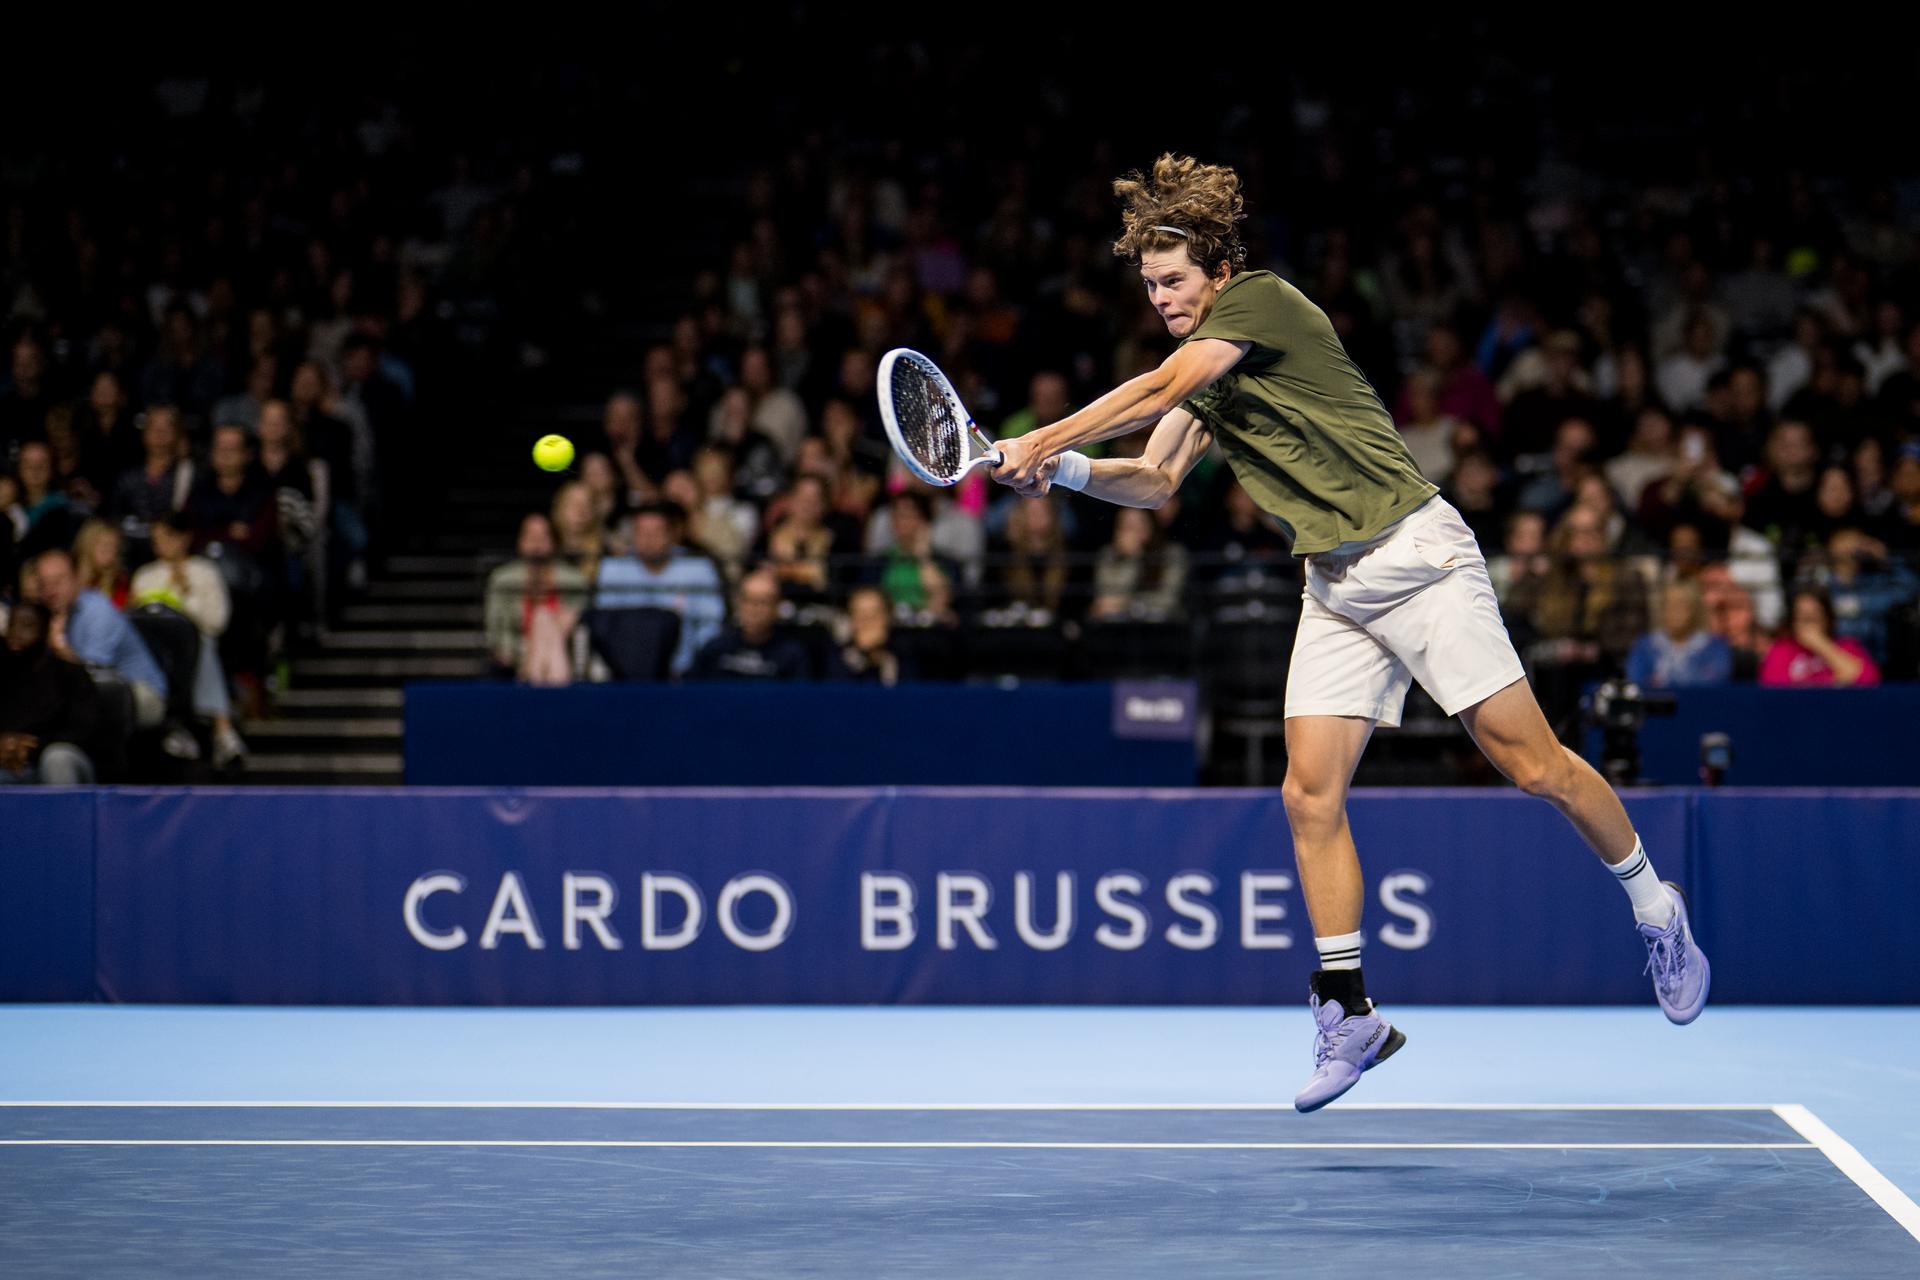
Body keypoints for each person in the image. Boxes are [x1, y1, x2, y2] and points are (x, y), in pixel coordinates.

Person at [992, 154, 1709, 1112]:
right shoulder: (1204, 373)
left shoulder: (1263, 304)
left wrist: (1038, 437)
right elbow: (1157, 481)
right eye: (1149, 285)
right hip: (1332, 584)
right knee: (1306, 794)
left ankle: (1658, 908)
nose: (1160, 297)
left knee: (1531, 764)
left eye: (1171, 280)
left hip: (1419, 558)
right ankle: (1349, 1012)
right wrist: (1070, 471)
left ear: (1214, 270)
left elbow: (1164, 385)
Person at [129, 515, 248, 767]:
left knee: (202, 642)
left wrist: (186, 595)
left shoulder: (204, 572)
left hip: (195, 649)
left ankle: (219, 729)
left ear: (184, 538)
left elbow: (216, 622)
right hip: (154, 652)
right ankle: (200, 726)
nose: (160, 544)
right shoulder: (144, 576)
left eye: (167, 537)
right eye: (156, 539)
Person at [593, 503, 725, 676]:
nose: (649, 539)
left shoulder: (698, 567)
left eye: (656, 532)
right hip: (623, 672)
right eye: (642, 533)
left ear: (672, 535)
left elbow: (711, 624)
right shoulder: (613, 568)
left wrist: (695, 666)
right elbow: (604, 625)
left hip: (687, 672)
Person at [0, 601, 101, 785]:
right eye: (12, 625)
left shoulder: (70, 674)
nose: (16, 634)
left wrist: (34, 746)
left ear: (44, 631)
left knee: (57, 758)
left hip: (60, 759)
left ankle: (67, 814)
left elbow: (84, 731)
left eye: (27, 626)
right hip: (11, 767)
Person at [484, 513, 590, 683]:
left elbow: (582, 625)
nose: (537, 544)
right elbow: (496, 632)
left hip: (563, 655)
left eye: (543, 537)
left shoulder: (574, 581)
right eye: (531, 537)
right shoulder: (503, 581)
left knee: (544, 618)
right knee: (543, 618)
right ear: (520, 541)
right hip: (518, 654)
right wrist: (527, 652)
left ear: (554, 542)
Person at [687, 568, 809, 680]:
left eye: (763, 602)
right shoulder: (716, 648)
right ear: (738, 603)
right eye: (749, 600)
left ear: (776, 608)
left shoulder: (791, 654)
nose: (755, 609)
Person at [1760, 588, 1881, 688]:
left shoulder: (1847, 646)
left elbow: (1868, 680)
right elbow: (1772, 688)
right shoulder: (1781, 650)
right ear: (1793, 622)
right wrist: (1837, 681)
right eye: (1802, 618)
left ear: (1827, 619)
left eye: (1814, 617)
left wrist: (1821, 645)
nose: (1808, 625)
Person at [1625, 582, 1734, 689]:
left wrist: (1662, 680)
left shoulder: (1715, 647)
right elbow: (1636, 683)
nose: (1675, 611)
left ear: (1693, 608)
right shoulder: (1644, 646)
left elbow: (1715, 682)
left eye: (1681, 605)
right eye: (1669, 605)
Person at [830, 586, 913, 685]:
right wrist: (863, 654)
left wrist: (880, 658)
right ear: (850, 621)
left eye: (875, 614)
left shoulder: (907, 658)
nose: (867, 621)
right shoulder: (834, 658)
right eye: (859, 614)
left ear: (888, 618)